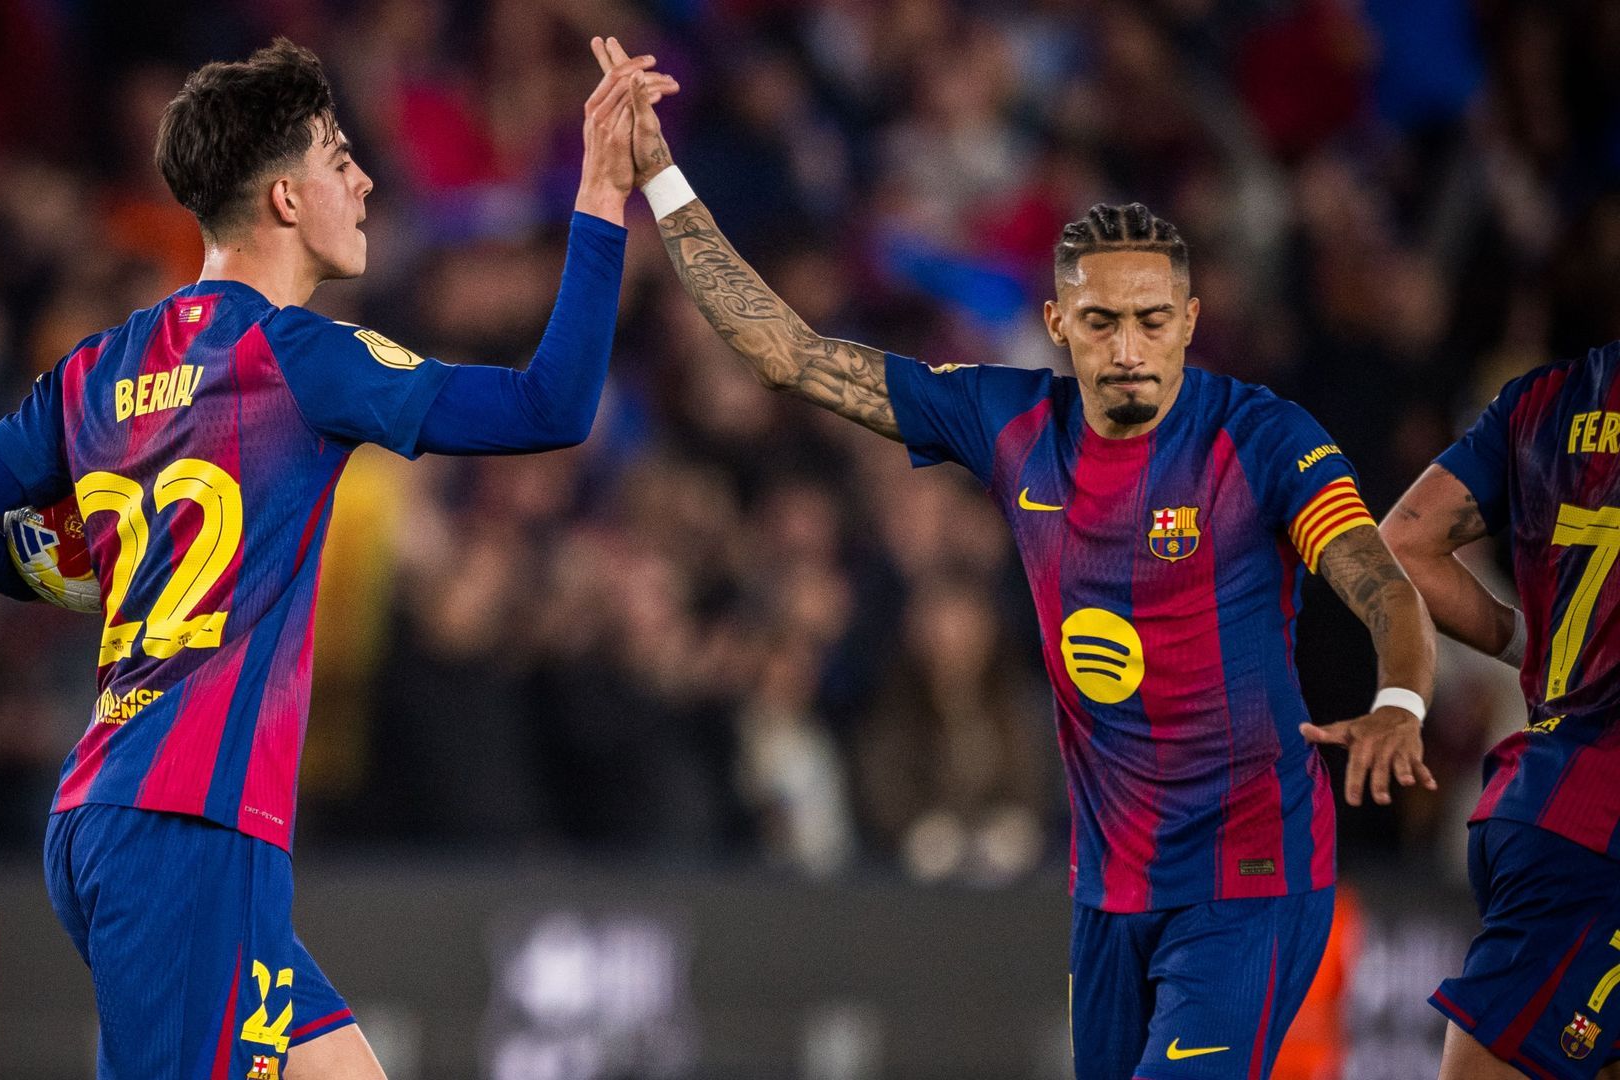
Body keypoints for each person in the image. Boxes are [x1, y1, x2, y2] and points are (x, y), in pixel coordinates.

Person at [593, 38, 1437, 1079]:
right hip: (1109, 890)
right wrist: (663, 176)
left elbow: (1378, 581)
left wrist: (1401, 701)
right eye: (1100, 322)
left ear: (1190, 327)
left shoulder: (1261, 441)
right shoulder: (1006, 422)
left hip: (1251, 879)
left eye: (1150, 322)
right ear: (1056, 326)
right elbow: (789, 354)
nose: (1127, 347)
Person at [0, 38, 675, 1080]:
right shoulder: (298, 359)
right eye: (338, 155)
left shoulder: (97, 369)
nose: (362, 178)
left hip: (108, 816)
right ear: (285, 200)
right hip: (190, 829)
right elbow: (552, 405)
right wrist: (598, 191)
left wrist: (108, 574)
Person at [1383, 342, 1620, 1080]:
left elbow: (1401, 544)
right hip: (1595, 838)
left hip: (1547, 802)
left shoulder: (1545, 402)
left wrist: (1534, 645)